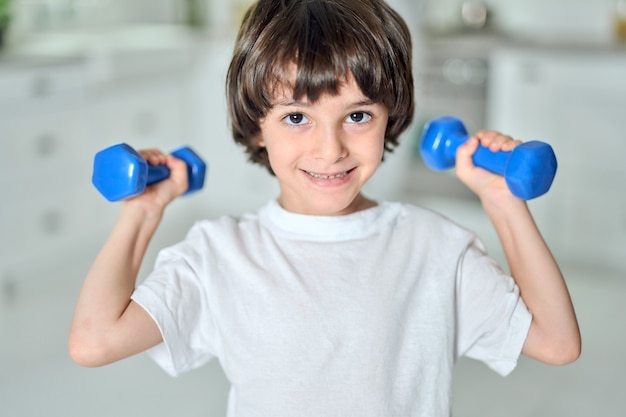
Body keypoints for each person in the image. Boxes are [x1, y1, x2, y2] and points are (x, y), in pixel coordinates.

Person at [69, 0, 581, 415]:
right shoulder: (218, 254)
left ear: (391, 119)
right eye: (296, 118)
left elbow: (556, 343)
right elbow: (95, 342)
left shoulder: (436, 247)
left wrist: (504, 202)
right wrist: (142, 214)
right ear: (256, 128)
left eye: (357, 114)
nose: (330, 148)